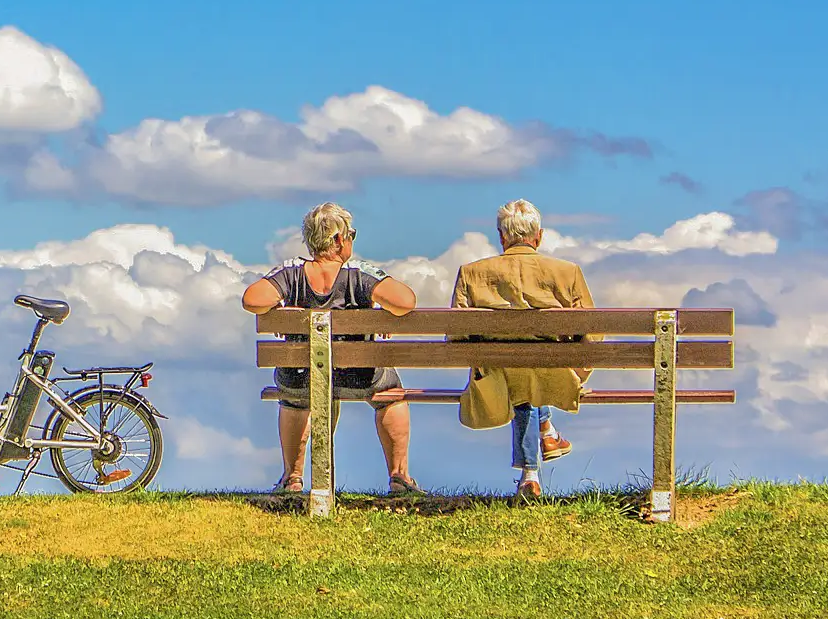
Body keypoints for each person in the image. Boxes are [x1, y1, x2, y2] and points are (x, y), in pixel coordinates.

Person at [242, 202, 422, 495]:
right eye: (351, 234)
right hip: (358, 375)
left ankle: (293, 477)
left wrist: (278, 306)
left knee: (294, 398)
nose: (351, 240)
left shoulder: (291, 273)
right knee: (392, 397)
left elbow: (251, 299)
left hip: (301, 376)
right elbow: (406, 301)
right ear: (338, 239)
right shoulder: (358, 274)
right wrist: (378, 311)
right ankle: (399, 475)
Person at [451, 199, 596, 498]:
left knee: (517, 372)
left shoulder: (471, 272)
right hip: (553, 374)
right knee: (532, 371)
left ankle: (531, 471)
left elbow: (455, 335)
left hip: (496, 378)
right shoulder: (567, 272)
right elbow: (593, 334)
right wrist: (578, 372)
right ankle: (544, 440)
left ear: (502, 237)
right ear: (539, 236)